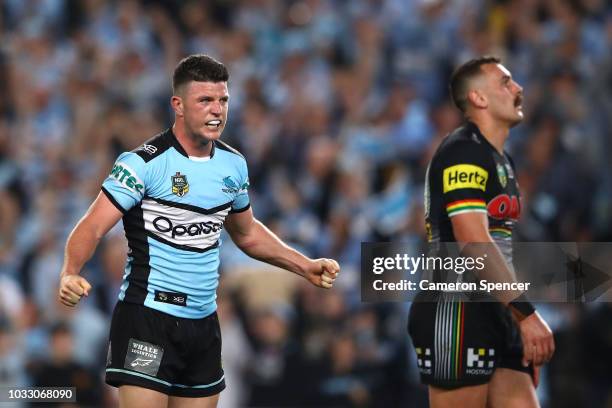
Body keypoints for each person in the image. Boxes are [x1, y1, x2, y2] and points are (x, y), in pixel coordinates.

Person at [58, 54, 340, 408]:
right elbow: (93, 226)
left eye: (223, 100)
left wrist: (304, 265)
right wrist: (70, 271)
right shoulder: (143, 164)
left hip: (204, 324)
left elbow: (247, 233)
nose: (217, 110)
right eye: (205, 100)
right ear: (178, 104)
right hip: (148, 319)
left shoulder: (233, 165)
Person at [408, 56, 554, 407]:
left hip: (494, 310)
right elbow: (473, 241)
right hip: (457, 311)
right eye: (506, 82)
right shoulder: (464, 151)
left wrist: (515, 320)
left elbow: (499, 248)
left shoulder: (500, 159)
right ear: (479, 98)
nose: (518, 88)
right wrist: (527, 314)